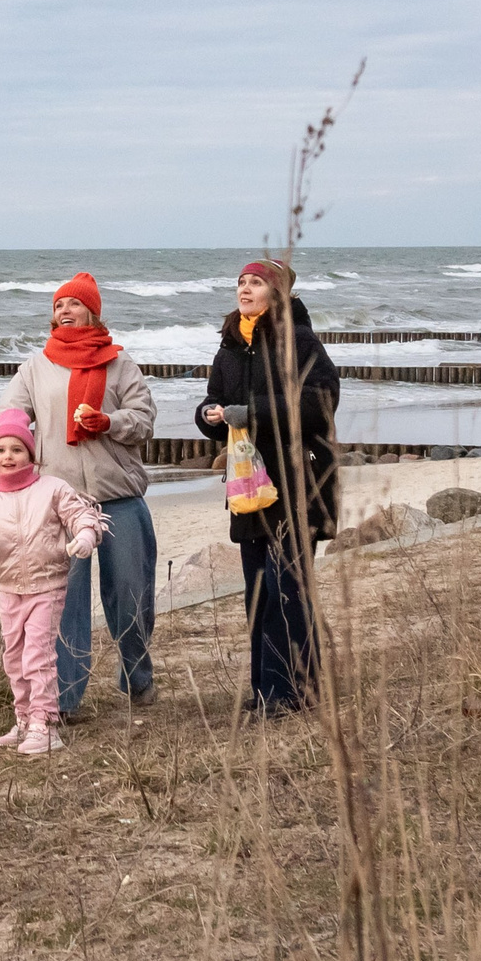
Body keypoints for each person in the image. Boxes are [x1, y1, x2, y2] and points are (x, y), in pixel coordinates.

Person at [0, 271, 158, 718]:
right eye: (58, 305)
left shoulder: (120, 365)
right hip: (59, 505)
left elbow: (144, 420)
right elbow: (8, 425)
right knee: (64, 607)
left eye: (73, 304)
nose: (64, 311)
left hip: (120, 497)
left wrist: (109, 422)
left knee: (131, 597)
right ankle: (63, 700)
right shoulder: (36, 368)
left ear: (92, 311)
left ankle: (137, 679)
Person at [196, 258, 341, 716]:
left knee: (288, 589)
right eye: (241, 281)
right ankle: (266, 691)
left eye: (256, 283)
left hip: (298, 482)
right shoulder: (230, 346)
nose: (245, 288)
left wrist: (249, 412)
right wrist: (208, 416)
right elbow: (214, 400)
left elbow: (321, 401)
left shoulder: (298, 339)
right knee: (258, 591)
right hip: (248, 487)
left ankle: (294, 693)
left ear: (277, 294)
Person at [0, 410, 107, 755]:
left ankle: (45, 726)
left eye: (17, 449)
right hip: (9, 587)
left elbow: (81, 515)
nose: (8, 456)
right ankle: (25, 718)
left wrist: (86, 536)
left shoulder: (52, 488)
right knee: (14, 658)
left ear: (32, 454)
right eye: (0, 451)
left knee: (37, 655)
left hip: (47, 585)